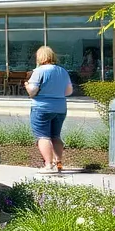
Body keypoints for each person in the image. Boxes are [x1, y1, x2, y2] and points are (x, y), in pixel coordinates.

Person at [25, 45, 74, 173]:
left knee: (43, 137)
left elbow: (32, 91)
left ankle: (48, 165)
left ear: (39, 58)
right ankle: (58, 162)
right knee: (55, 136)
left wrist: (27, 86)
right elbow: (69, 91)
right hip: (60, 108)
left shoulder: (39, 71)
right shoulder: (62, 71)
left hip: (41, 107)